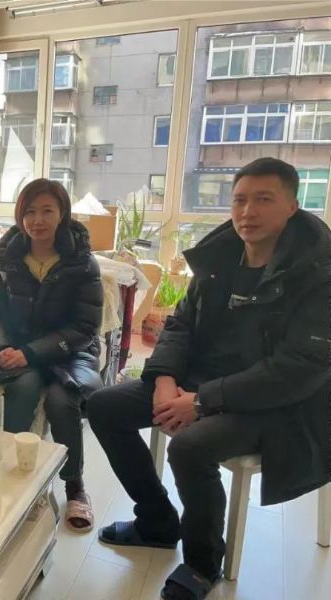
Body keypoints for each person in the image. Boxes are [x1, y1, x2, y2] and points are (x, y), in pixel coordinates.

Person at [87, 157, 331, 600]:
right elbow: (180, 324)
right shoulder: (220, 260)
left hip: (275, 402)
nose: (248, 212)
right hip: (198, 381)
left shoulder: (318, 274)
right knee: (103, 405)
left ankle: (202, 565)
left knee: (190, 447)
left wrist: (202, 402)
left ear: (293, 206)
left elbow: (298, 369)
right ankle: (157, 522)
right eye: (240, 200)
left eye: (264, 199)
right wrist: (164, 378)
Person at [0, 178, 104, 532]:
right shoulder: (7, 258)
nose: (38, 220)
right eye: (30, 212)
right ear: (20, 216)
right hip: (21, 349)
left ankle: (74, 487)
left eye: (47, 211)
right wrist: (3, 347)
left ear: (62, 213)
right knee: (21, 389)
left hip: (71, 352)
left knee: (61, 400)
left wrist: (30, 352)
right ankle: (14, 475)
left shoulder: (82, 261)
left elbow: (85, 327)